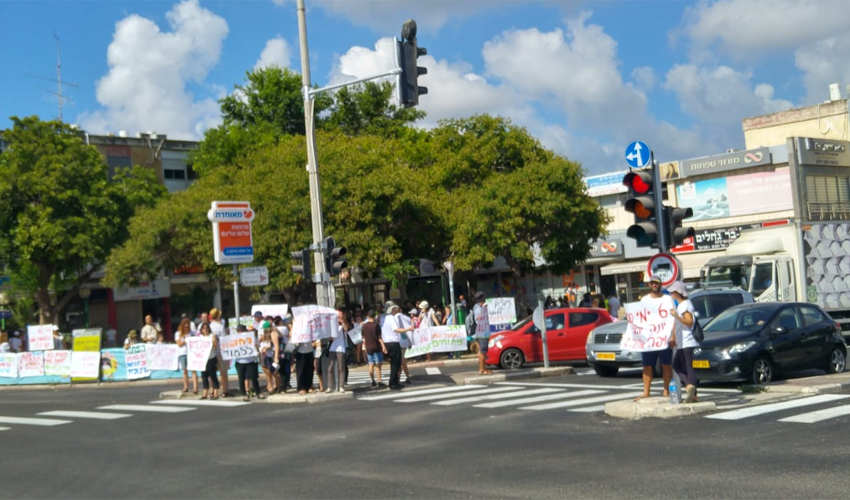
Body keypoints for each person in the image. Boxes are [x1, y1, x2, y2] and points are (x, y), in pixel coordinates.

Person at [634, 275, 675, 401]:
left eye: (656, 283)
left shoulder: (668, 299)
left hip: (664, 338)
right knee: (647, 366)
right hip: (648, 340)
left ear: (660, 285)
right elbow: (639, 317)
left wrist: (672, 336)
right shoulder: (644, 300)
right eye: (652, 283)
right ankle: (646, 392)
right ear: (649, 284)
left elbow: (673, 318)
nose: (654, 285)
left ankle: (666, 390)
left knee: (666, 365)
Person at [668, 281, 699, 403]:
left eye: (672, 292)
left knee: (685, 366)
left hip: (687, 340)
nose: (671, 294)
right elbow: (677, 325)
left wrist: (676, 316)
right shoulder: (681, 305)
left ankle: (690, 387)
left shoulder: (686, 305)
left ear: (678, 293)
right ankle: (692, 391)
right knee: (680, 365)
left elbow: (689, 322)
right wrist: (674, 337)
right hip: (682, 341)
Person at [381, 301, 412, 390]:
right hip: (393, 343)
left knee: (393, 363)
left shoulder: (383, 318)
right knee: (396, 364)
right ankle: (393, 382)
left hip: (387, 343)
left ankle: (394, 381)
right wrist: (408, 329)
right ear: (392, 310)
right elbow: (396, 329)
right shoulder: (391, 318)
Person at [233, 324, 263, 401]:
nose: (240, 332)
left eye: (242, 331)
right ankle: (244, 394)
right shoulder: (234, 339)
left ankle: (258, 393)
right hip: (239, 361)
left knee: (254, 377)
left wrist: (259, 357)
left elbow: (257, 347)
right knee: (241, 378)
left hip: (251, 360)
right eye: (239, 331)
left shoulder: (251, 338)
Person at [361, 309, 386, 387]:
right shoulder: (376, 325)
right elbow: (379, 338)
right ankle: (379, 380)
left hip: (368, 347)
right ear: (374, 316)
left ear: (368, 316)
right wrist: (383, 346)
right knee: (378, 365)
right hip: (376, 346)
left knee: (370, 364)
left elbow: (363, 337)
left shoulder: (364, 326)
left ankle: (373, 381)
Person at [209, 308, 230, 397]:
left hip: (211, 352)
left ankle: (212, 390)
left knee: (211, 372)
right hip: (221, 351)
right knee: (223, 372)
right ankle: (224, 390)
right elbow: (224, 339)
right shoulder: (220, 326)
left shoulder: (208, 326)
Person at [327, 309, 349, 393]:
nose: (339, 317)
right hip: (333, 347)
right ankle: (330, 386)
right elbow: (329, 337)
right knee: (330, 367)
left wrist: (342, 320)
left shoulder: (343, 324)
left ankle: (341, 386)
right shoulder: (332, 324)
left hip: (341, 347)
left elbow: (346, 328)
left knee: (341, 367)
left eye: (340, 315)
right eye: (338, 315)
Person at [175, 318, 198, 394]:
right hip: (183, 353)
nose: (186, 327)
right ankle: (186, 386)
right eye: (185, 326)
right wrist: (185, 340)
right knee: (185, 371)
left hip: (191, 353)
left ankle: (195, 387)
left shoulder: (192, 333)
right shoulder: (178, 334)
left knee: (193, 370)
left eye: (188, 326)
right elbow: (179, 344)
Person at [198, 322, 220, 400]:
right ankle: (205, 393)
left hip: (211, 358)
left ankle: (216, 392)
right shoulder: (200, 337)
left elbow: (215, 345)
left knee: (213, 376)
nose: (205, 329)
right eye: (204, 328)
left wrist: (213, 341)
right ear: (201, 329)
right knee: (204, 376)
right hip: (203, 360)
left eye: (207, 328)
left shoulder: (211, 336)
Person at [473, 292, 493, 375]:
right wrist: (484, 309)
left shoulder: (478, 307)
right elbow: (478, 318)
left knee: (481, 351)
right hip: (482, 332)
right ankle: (482, 369)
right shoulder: (478, 307)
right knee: (483, 351)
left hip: (482, 331)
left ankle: (483, 368)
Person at [258, 321, 280, 395]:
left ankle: (277, 386)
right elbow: (260, 341)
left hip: (272, 355)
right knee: (266, 368)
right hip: (266, 355)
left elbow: (276, 346)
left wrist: (276, 358)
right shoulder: (266, 335)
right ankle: (271, 385)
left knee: (274, 371)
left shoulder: (273, 334)